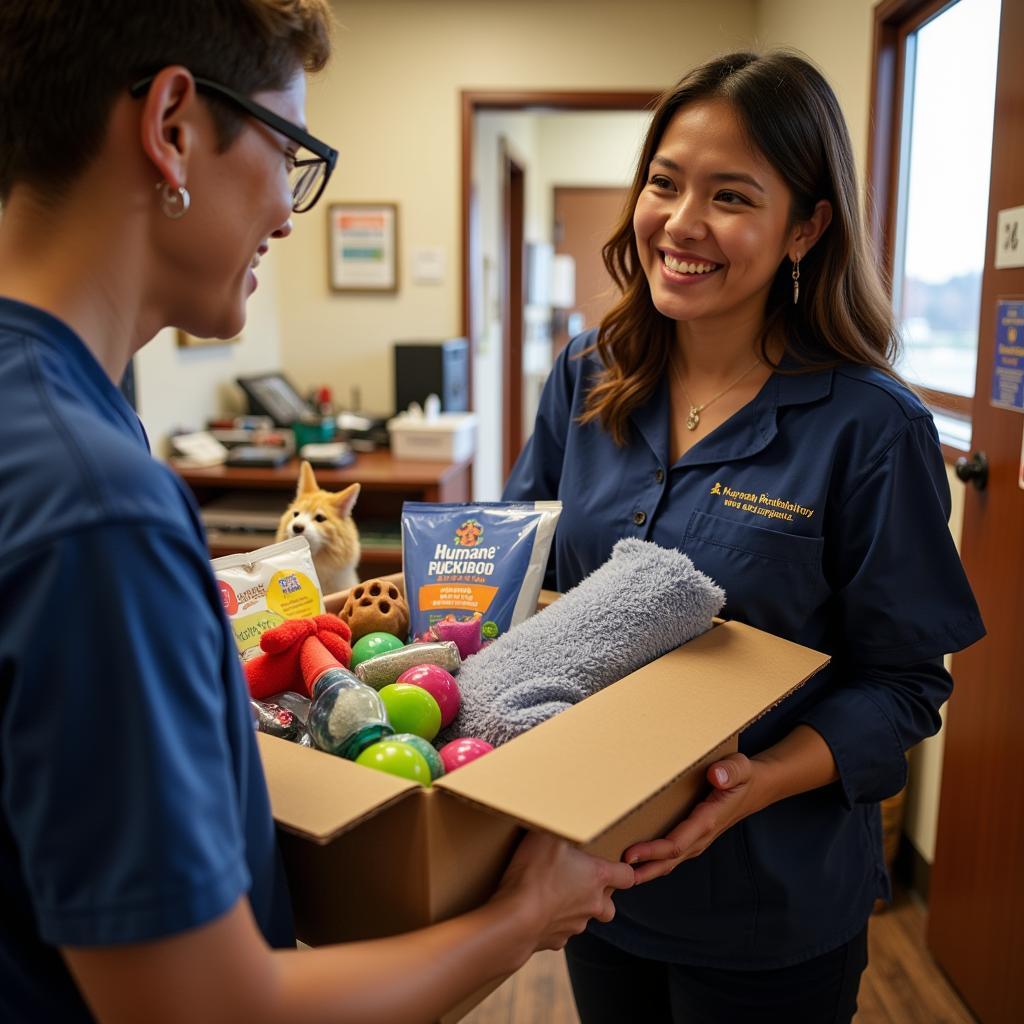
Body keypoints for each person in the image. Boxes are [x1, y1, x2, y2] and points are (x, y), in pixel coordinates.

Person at [0, 3, 635, 1022]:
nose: (292, 214)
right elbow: (204, 1009)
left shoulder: (75, 423)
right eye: (290, 149)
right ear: (171, 127)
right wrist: (524, 914)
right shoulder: (97, 509)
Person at [504, 50, 985, 1023]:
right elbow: (522, 576)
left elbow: (902, 684)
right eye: (663, 183)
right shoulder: (586, 374)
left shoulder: (868, 425)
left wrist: (753, 782)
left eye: (730, 196)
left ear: (805, 226)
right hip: (595, 877)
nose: (681, 225)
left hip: (772, 901)